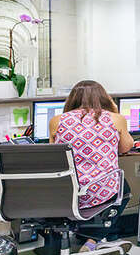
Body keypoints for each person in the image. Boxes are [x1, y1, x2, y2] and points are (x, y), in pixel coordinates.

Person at [50, 80, 134, 208]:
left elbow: (54, 155)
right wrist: (115, 110)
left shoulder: (56, 121)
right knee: (125, 186)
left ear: (72, 99)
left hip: (69, 192)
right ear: (104, 98)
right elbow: (124, 148)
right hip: (101, 192)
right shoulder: (115, 119)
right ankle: (107, 223)